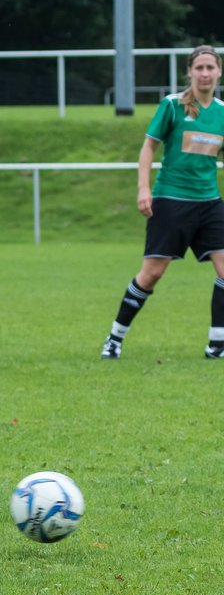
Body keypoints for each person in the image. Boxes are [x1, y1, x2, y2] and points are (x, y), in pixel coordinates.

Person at [101, 44, 224, 360]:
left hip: (210, 203)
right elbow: (148, 148)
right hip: (171, 201)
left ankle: (217, 344)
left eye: (211, 67)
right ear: (190, 72)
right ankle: (115, 338)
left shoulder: (223, 112)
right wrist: (144, 189)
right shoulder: (172, 105)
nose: (205, 73)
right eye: (200, 68)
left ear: (219, 72)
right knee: (152, 274)